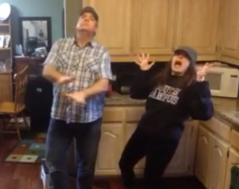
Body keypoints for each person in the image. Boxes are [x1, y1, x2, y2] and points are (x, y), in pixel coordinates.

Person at [118, 47, 214, 189]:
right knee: (125, 164)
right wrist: (143, 72)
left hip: (165, 138)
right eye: (177, 55)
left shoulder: (192, 87)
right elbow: (136, 93)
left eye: (184, 57)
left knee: (151, 177)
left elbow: (204, 114)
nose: (179, 58)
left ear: (190, 65)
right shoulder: (160, 78)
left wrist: (201, 85)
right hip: (144, 131)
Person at [42, 6, 112, 189]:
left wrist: (83, 93)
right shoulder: (60, 45)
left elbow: (104, 83)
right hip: (60, 115)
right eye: (83, 17)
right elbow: (47, 69)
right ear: (77, 24)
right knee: (53, 162)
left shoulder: (101, 52)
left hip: (89, 119)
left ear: (95, 28)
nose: (86, 19)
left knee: (86, 167)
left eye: (91, 18)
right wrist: (59, 77)